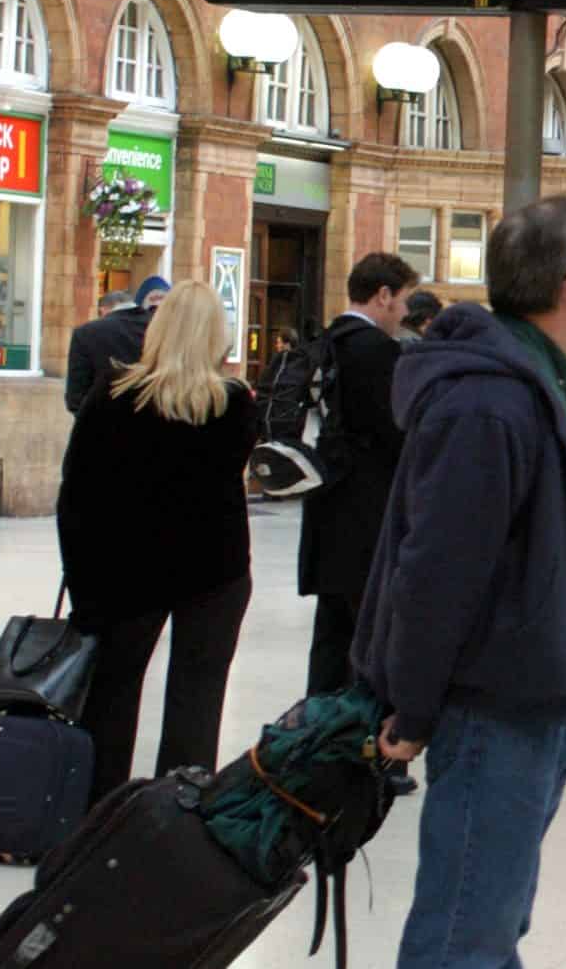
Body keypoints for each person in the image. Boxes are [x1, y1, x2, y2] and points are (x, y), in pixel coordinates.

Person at [359, 196, 566, 969]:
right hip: (493, 698)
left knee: (495, 920)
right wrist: (412, 704)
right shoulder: (491, 400)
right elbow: (439, 567)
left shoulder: (529, 380)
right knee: (462, 923)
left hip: (539, 688)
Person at [57, 284, 256, 797]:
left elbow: (77, 492)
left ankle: (100, 814)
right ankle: (179, 812)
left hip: (127, 567)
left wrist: (81, 581)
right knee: (198, 697)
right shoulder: (233, 405)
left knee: (112, 695)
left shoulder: (112, 395)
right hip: (214, 570)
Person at [301, 252, 417, 698]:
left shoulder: (327, 341)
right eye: (403, 300)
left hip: (328, 508)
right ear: (383, 295)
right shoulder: (377, 352)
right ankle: (356, 755)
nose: (406, 312)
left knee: (329, 640)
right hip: (368, 518)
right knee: (369, 645)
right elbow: (396, 432)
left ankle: (314, 739)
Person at [64, 289, 146, 415]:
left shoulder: (86, 333)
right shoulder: (159, 326)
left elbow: (75, 397)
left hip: (103, 422)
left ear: (102, 310)